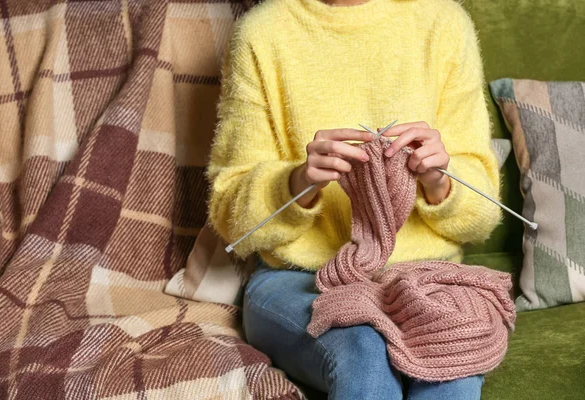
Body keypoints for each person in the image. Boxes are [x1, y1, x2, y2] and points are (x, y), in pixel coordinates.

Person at [207, 0, 501, 398]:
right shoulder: (264, 32)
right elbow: (231, 219)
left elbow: (483, 216)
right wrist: (296, 183)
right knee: (364, 347)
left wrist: (438, 179)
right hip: (296, 280)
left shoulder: (443, 23)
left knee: (449, 359)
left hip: (424, 279)